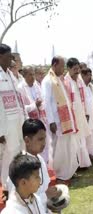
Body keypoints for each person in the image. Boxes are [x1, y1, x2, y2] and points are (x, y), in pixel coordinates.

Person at [7, 119, 65, 213]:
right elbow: (18, 200)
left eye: (44, 138)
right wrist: (45, 195)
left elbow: (45, 188)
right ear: (27, 140)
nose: (44, 143)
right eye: (40, 139)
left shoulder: (40, 159)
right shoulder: (19, 167)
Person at [41, 56, 79, 182]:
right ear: (55, 64)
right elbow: (46, 102)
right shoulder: (48, 81)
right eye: (62, 66)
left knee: (68, 146)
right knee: (59, 149)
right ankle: (60, 173)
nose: (63, 69)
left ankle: (68, 171)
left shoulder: (58, 79)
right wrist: (51, 121)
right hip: (57, 121)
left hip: (65, 120)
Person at [0, 44, 25, 194]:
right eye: (9, 56)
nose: (12, 59)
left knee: (17, 155)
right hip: (5, 126)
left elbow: (18, 99)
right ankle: (6, 188)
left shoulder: (10, 74)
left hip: (17, 123)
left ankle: (14, 185)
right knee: (8, 158)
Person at [17, 66, 50, 163]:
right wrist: (34, 105)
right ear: (24, 76)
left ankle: (44, 167)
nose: (33, 77)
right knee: (34, 147)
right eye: (30, 74)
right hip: (30, 124)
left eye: (33, 74)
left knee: (44, 144)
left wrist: (40, 105)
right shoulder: (20, 88)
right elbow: (22, 109)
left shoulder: (36, 85)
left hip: (41, 120)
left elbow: (42, 100)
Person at [64, 58, 91, 169]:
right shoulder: (65, 81)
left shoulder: (79, 81)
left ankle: (83, 163)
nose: (77, 71)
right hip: (71, 115)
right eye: (74, 69)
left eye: (78, 69)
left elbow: (84, 97)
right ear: (69, 69)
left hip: (80, 113)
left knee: (81, 138)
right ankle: (75, 164)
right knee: (73, 141)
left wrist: (86, 112)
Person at [81, 67, 93, 160]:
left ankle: (91, 154)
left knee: (91, 135)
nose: (90, 77)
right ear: (82, 76)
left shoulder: (90, 86)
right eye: (87, 75)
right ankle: (85, 157)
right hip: (85, 116)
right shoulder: (80, 88)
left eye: (90, 75)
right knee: (85, 137)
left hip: (92, 116)